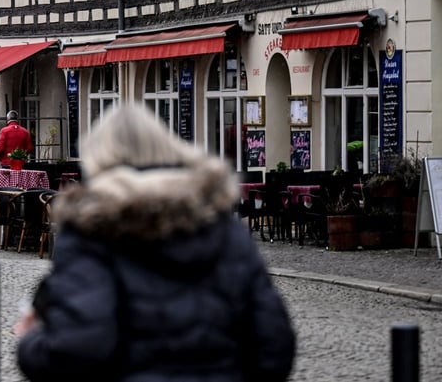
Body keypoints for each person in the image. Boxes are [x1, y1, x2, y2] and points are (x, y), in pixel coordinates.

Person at [15, 104, 295, 382]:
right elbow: (275, 346)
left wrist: (31, 342)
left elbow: (79, 349)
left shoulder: (92, 230)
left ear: (97, 160)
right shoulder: (222, 227)